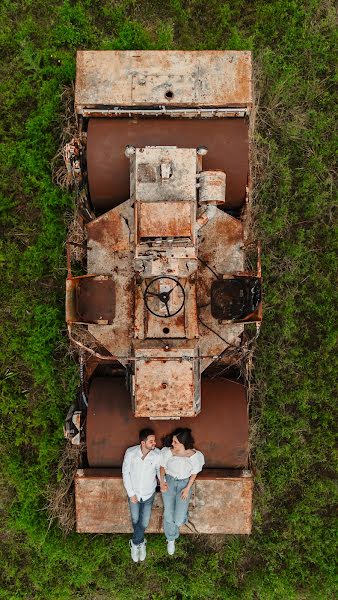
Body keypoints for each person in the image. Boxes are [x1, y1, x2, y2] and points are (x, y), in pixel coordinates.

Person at [160, 428, 205, 556]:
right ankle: (171, 538)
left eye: (175, 442)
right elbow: (162, 467)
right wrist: (162, 481)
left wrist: (187, 489)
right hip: (169, 482)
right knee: (168, 512)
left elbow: (194, 473)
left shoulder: (194, 456)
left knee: (178, 520)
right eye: (173, 441)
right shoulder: (168, 452)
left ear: (183, 443)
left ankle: (180, 517)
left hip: (184, 485)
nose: (172, 443)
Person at [122, 428, 160, 562]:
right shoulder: (131, 453)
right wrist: (131, 494)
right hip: (134, 495)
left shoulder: (156, 455)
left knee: (143, 523)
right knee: (135, 519)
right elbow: (125, 473)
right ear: (143, 443)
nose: (154, 443)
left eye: (154, 440)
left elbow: (159, 471)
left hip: (149, 494)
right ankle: (140, 542)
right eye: (151, 441)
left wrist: (163, 482)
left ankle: (135, 543)